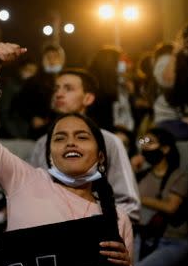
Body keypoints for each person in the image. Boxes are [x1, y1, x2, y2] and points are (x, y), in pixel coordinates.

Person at [0, 43, 135, 266]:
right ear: (49, 153)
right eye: (60, 138)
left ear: (101, 156)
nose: (70, 143)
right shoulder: (25, 181)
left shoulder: (118, 220)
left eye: (82, 137)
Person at [27, 68, 141, 222]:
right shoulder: (42, 143)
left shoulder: (109, 141)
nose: (59, 94)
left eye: (68, 89)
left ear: (88, 98)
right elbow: (31, 195)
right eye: (56, 88)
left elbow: (129, 205)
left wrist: (93, 227)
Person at [134, 128, 188, 266]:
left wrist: (139, 198)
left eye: (150, 142)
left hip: (172, 240)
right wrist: (131, 169)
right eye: (143, 142)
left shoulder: (180, 176)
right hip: (143, 236)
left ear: (165, 148)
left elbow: (171, 207)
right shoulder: (142, 175)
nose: (145, 147)